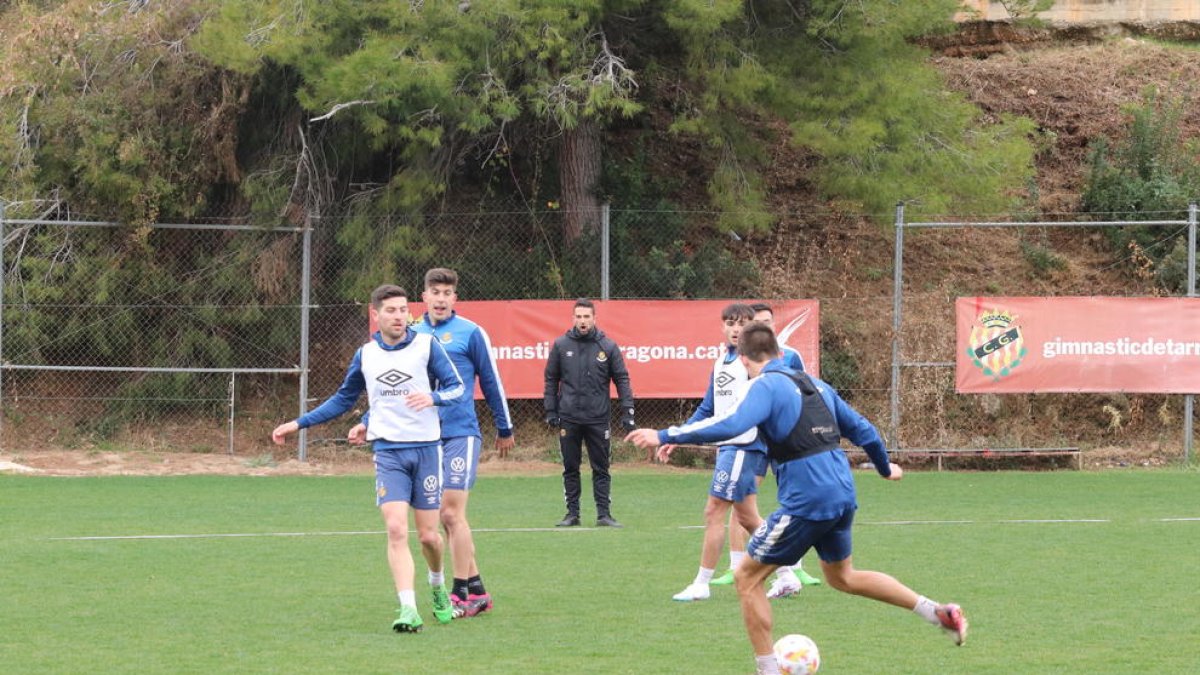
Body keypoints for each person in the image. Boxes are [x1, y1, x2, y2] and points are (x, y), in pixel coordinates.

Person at [626, 322, 968, 675]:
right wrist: (883, 468)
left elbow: (732, 424)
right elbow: (865, 431)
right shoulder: (817, 385)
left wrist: (665, 433)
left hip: (809, 498)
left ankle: (768, 670)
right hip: (841, 490)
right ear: (778, 351)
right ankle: (936, 612)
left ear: (744, 360)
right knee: (842, 577)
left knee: (746, 578)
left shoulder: (766, 385)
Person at [271, 284, 465, 634]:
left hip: (426, 450)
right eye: (391, 310)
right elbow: (342, 399)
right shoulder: (366, 355)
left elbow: (458, 388)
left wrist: (433, 398)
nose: (399, 316)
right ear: (376, 315)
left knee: (429, 538)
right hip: (387, 451)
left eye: (403, 310)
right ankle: (408, 608)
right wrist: (298, 423)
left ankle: (437, 584)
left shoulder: (426, 346)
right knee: (394, 528)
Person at [348, 268, 513, 619]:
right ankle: (478, 590)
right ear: (422, 298)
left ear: (455, 298)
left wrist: (504, 426)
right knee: (440, 520)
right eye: (434, 292)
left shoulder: (470, 333)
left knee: (451, 513)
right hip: (423, 437)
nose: (440, 298)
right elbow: (389, 392)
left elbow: (491, 381)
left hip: (460, 431)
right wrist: (366, 423)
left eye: (447, 292)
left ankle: (459, 593)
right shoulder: (412, 335)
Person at [670, 303, 805, 602]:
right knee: (748, 518)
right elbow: (708, 408)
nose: (734, 328)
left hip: (743, 446)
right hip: (731, 447)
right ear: (722, 327)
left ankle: (701, 583)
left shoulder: (753, 365)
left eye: (741, 323)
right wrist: (678, 435)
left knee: (714, 510)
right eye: (729, 323)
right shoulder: (722, 361)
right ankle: (787, 574)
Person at [711, 302, 822, 594]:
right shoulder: (732, 360)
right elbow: (717, 406)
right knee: (742, 508)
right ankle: (743, 565)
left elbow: (804, 392)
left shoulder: (788, 357)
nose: (762, 326)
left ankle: (792, 568)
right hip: (749, 443)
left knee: (791, 501)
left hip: (779, 442)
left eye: (767, 321)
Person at [543, 298, 635, 528]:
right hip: (569, 417)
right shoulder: (561, 345)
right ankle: (572, 514)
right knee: (570, 467)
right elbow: (551, 379)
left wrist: (628, 411)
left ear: (594, 319)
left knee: (601, 468)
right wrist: (551, 409)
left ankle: (604, 514)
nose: (583, 321)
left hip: (598, 418)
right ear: (573, 318)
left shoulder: (608, 346)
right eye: (579, 317)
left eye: (587, 317)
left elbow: (622, 379)